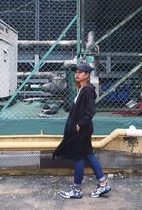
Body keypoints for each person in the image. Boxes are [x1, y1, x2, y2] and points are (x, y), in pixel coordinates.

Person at [53, 62, 111, 199]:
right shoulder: (82, 89)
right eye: (76, 72)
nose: (77, 74)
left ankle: (77, 189)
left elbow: (90, 111)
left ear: (87, 75)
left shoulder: (88, 90)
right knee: (88, 154)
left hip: (82, 130)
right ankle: (103, 183)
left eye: (80, 72)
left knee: (78, 156)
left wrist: (79, 125)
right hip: (83, 129)